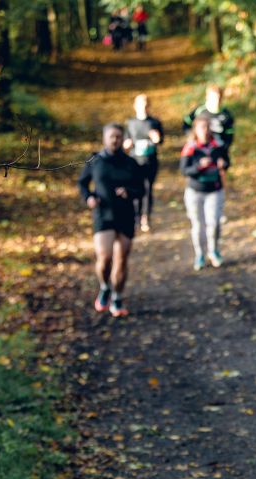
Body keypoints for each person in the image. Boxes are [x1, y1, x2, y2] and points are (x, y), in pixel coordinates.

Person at [77, 123, 144, 317]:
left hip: (125, 215)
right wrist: (89, 197)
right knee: (105, 257)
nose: (115, 140)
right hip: (103, 214)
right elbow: (82, 183)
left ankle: (117, 297)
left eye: (118, 136)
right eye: (112, 136)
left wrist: (128, 192)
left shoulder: (131, 163)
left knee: (121, 260)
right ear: (104, 138)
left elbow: (141, 189)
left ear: (123, 139)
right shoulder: (95, 160)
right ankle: (105, 286)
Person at [179, 113, 229, 270]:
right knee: (198, 225)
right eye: (202, 127)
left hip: (214, 190)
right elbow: (184, 170)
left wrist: (223, 164)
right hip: (195, 191)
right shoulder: (190, 147)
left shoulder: (218, 145)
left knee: (214, 223)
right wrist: (199, 166)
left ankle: (214, 251)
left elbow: (227, 161)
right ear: (196, 129)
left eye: (207, 127)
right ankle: (199, 255)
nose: (205, 130)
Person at [124, 94, 163, 232]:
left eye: (146, 105)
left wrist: (157, 139)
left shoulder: (154, 122)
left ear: (149, 106)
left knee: (148, 189)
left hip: (150, 161)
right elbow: (125, 143)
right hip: (135, 162)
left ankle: (146, 218)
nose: (143, 108)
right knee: (136, 189)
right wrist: (127, 145)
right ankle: (136, 217)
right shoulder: (130, 123)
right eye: (140, 105)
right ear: (135, 106)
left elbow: (161, 140)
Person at [182, 85, 235, 155]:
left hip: (218, 150)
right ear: (207, 97)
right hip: (200, 150)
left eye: (219, 97)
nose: (217, 100)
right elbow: (186, 123)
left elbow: (230, 134)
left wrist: (224, 148)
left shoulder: (226, 114)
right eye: (214, 97)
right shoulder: (200, 110)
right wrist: (191, 136)